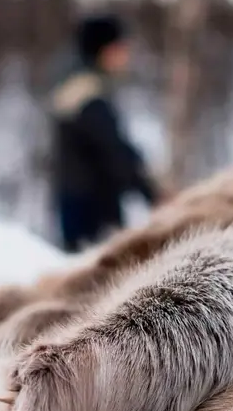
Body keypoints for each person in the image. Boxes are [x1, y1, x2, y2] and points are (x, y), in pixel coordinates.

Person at [48, 14, 159, 252]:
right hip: (92, 206)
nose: (125, 55)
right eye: (120, 47)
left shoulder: (77, 87)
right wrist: (153, 193)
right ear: (104, 50)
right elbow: (114, 150)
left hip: (79, 199)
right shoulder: (87, 96)